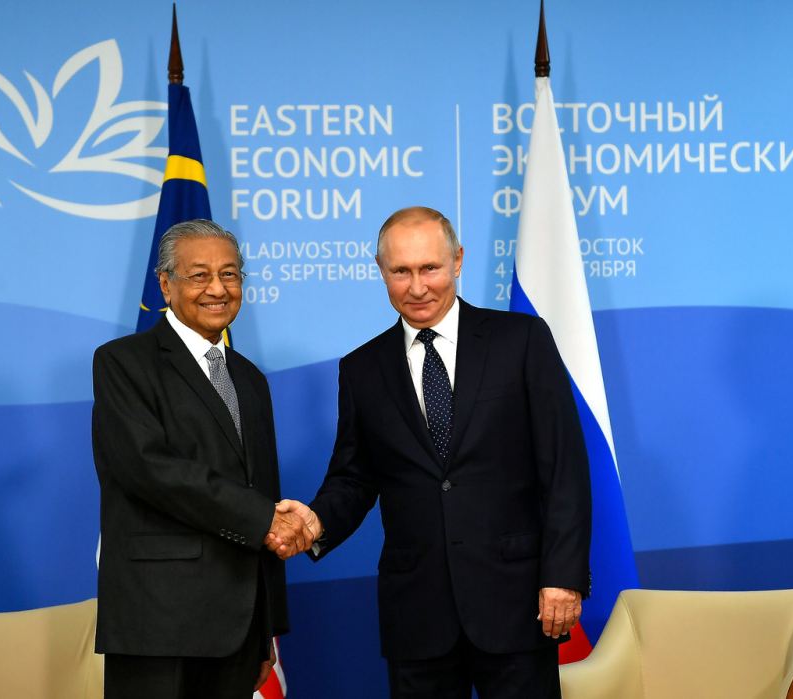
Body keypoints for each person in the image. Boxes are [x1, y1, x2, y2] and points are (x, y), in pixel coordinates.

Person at [273, 206, 592, 699]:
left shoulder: (520, 341)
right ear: (381, 270)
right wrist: (316, 522)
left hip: (516, 600)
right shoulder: (362, 368)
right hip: (417, 612)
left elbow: (564, 467)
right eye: (401, 271)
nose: (417, 286)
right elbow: (354, 478)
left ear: (458, 261)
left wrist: (563, 577)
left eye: (430, 268)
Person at [92, 219, 313, 699]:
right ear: (166, 284)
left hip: (239, 627)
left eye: (230, 274)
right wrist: (265, 520)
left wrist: (267, 628)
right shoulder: (122, 362)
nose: (217, 288)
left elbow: (262, 489)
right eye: (199, 275)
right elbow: (150, 470)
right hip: (158, 622)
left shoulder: (250, 379)